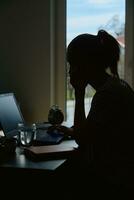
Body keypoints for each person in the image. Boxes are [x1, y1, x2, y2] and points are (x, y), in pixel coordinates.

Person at [55, 30, 134, 198]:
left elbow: (82, 139)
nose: (70, 71)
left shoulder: (108, 95)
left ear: (86, 64)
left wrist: (79, 93)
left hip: (115, 182)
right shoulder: (116, 86)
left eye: (72, 64)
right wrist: (72, 130)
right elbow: (94, 131)